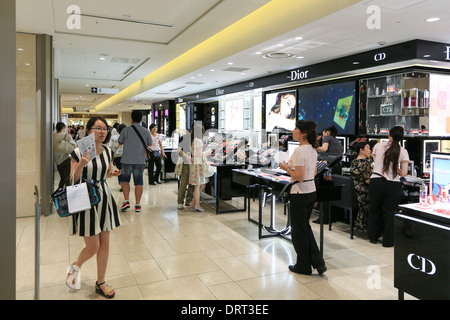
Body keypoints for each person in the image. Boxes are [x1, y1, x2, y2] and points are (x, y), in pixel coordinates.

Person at [65, 116, 121, 299]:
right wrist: (81, 163)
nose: (102, 131)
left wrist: (112, 173)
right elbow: (72, 180)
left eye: (105, 128)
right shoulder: (78, 151)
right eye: (97, 128)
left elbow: (106, 173)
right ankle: (75, 266)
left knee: (105, 244)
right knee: (92, 247)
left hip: (104, 197)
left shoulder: (107, 151)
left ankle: (101, 281)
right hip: (85, 198)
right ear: (89, 131)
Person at [279, 120, 327, 275]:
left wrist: (286, 168)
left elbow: (298, 176)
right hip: (310, 191)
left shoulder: (300, 151)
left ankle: (303, 265)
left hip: (299, 193)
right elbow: (312, 173)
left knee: (299, 231)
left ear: (303, 133)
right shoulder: (312, 150)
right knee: (305, 227)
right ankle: (318, 262)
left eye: (295, 129)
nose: (293, 131)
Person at [368, 126, 409, 247]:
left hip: (376, 181)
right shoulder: (403, 151)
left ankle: (373, 237)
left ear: (389, 135)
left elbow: (376, 161)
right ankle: (388, 241)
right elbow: (404, 173)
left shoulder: (379, 146)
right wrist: (396, 167)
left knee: (374, 209)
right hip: (393, 184)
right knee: (390, 213)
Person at [118, 110, 153, 213]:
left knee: (125, 180)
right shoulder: (146, 131)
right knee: (138, 182)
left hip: (126, 160)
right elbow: (150, 143)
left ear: (131, 118)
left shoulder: (125, 130)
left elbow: (120, 142)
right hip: (139, 160)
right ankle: (137, 204)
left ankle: (126, 201)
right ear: (141, 119)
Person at [350, 142, 373, 232]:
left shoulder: (354, 161)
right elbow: (368, 181)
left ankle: (361, 224)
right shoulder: (365, 163)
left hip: (356, 191)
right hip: (364, 192)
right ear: (361, 150)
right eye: (367, 148)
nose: (370, 150)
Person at [188, 122, 207, 212]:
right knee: (198, 185)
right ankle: (196, 205)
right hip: (198, 165)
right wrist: (208, 151)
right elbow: (199, 154)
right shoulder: (197, 140)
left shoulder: (194, 140)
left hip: (195, 165)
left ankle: (193, 203)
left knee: (201, 184)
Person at [53, 122, 77, 187]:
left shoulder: (53, 136)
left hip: (57, 161)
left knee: (63, 178)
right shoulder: (66, 136)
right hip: (66, 159)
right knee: (67, 179)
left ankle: (60, 192)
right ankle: (66, 193)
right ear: (63, 127)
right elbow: (75, 145)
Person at [177, 131, 194, 210]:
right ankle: (180, 202)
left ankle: (189, 200)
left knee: (192, 184)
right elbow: (179, 150)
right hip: (185, 163)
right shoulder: (184, 137)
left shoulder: (197, 138)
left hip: (194, 163)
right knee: (184, 183)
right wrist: (186, 155)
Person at [109, 123, 126, 188]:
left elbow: (110, 146)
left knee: (119, 170)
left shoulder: (113, 138)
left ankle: (121, 184)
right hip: (126, 156)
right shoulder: (128, 138)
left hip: (117, 156)